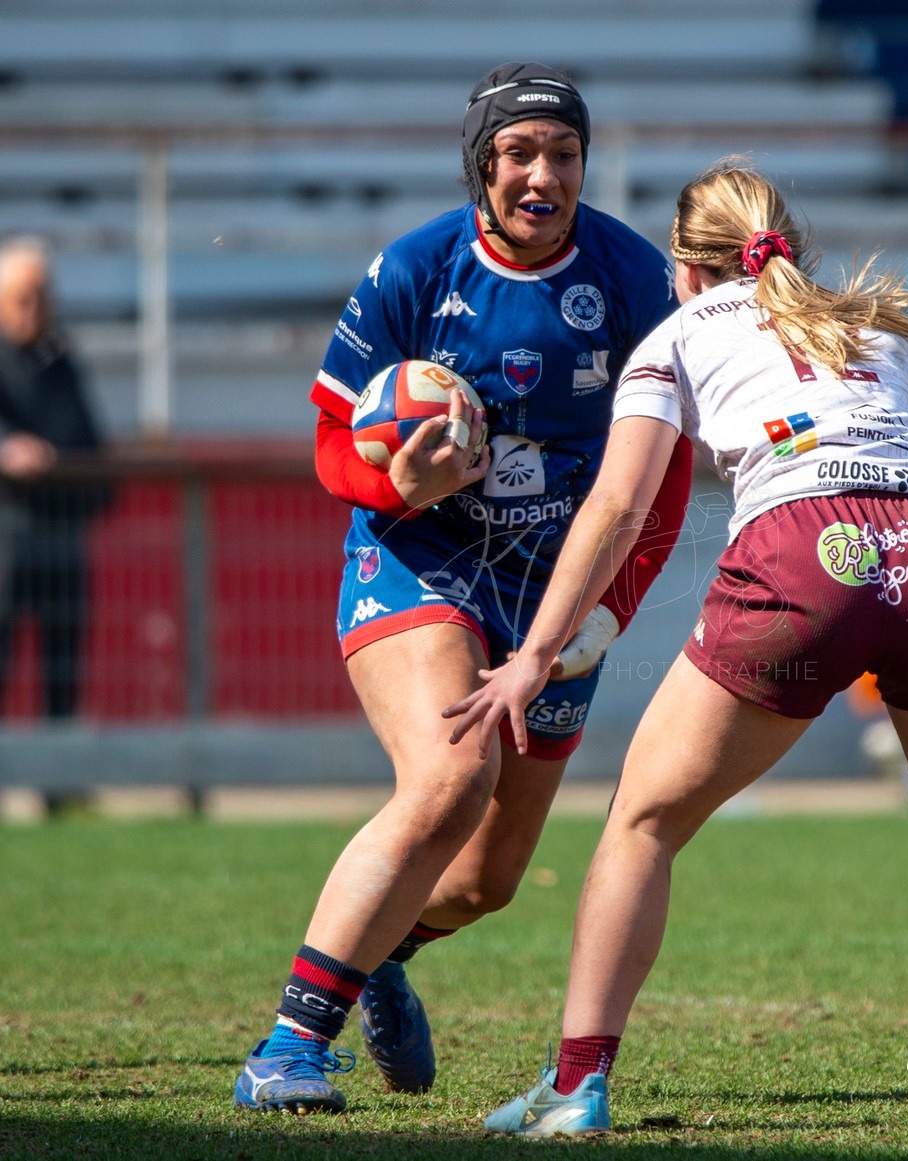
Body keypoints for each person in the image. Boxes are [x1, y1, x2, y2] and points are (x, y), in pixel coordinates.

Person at [446, 161, 908, 1136]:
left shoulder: (676, 336)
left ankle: (577, 1089)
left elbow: (615, 507)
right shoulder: (894, 331)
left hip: (801, 555)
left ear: (685, 272)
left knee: (643, 823)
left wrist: (534, 652)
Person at [231, 63, 694, 1114]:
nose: (544, 175)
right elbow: (327, 441)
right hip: (415, 557)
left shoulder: (629, 280)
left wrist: (610, 612)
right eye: (521, 154)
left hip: (555, 598)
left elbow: (662, 480)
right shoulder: (415, 268)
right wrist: (395, 479)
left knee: (486, 880)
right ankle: (288, 1048)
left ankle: (376, 955)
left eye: (564, 154)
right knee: (451, 776)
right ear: (481, 165)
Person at [0, 236, 109, 720]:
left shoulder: (61, 362)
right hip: (0, 536)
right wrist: (7, 449)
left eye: (43, 297)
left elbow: (90, 439)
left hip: (60, 536)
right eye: (24, 298)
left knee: (62, 666)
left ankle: (58, 784)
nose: (35, 309)